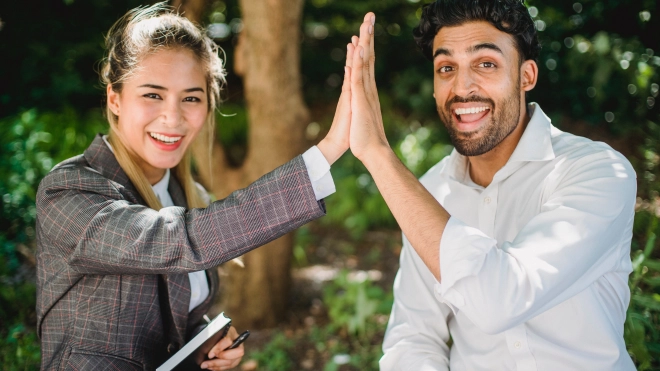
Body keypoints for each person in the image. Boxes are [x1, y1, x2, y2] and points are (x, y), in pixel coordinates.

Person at [35, 3, 353, 370]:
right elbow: (174, 241)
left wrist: (202, 341)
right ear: (115, 99)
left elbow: (167, 321)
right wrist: (327, 152)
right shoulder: (69, 191)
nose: (173, 117)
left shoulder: (186, 196)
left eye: (190, 98)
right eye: (152, 94)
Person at [344, 2, 637, 370]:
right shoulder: (429, 191)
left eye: (486, 64)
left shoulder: (598, 172)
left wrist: (377, 154)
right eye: (446, 68)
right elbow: (414, 337)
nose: (462, 87)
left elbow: (502, 298)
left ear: (526, 76)